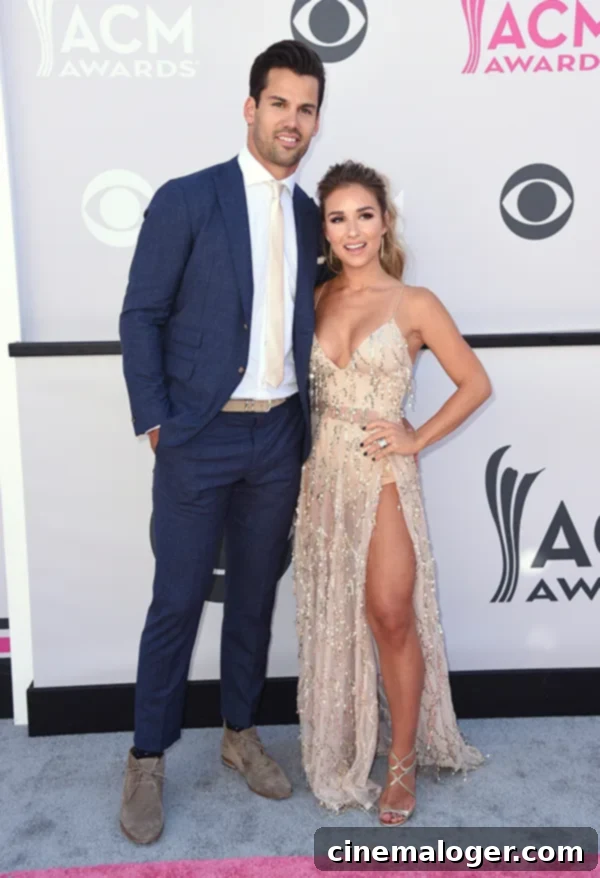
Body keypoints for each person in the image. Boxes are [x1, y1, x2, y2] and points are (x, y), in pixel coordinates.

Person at [118, 40, 326, 845]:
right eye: (279, 103)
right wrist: (158, 419)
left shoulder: (312, 215)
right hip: (198, 438)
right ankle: (145, 758)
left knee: (253, 599)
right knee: (175, 601)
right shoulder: (187, 199)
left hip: (278, 437)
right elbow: (142, 315)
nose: (292, 121)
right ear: (251, 108)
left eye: (306, 108)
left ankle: (240, 733)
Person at [293, 161, 489, 824]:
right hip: (322, 475)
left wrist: (416, 436)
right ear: (324, 230)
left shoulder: (415, 303)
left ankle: (402, 765)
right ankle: (347, 740)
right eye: (338, 217)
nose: (353, 230)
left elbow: (475, 384)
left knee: (391, 613)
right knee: (342, 616)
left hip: (381, 474)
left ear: (385, 223)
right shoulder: (314, 299)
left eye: (364, 215)